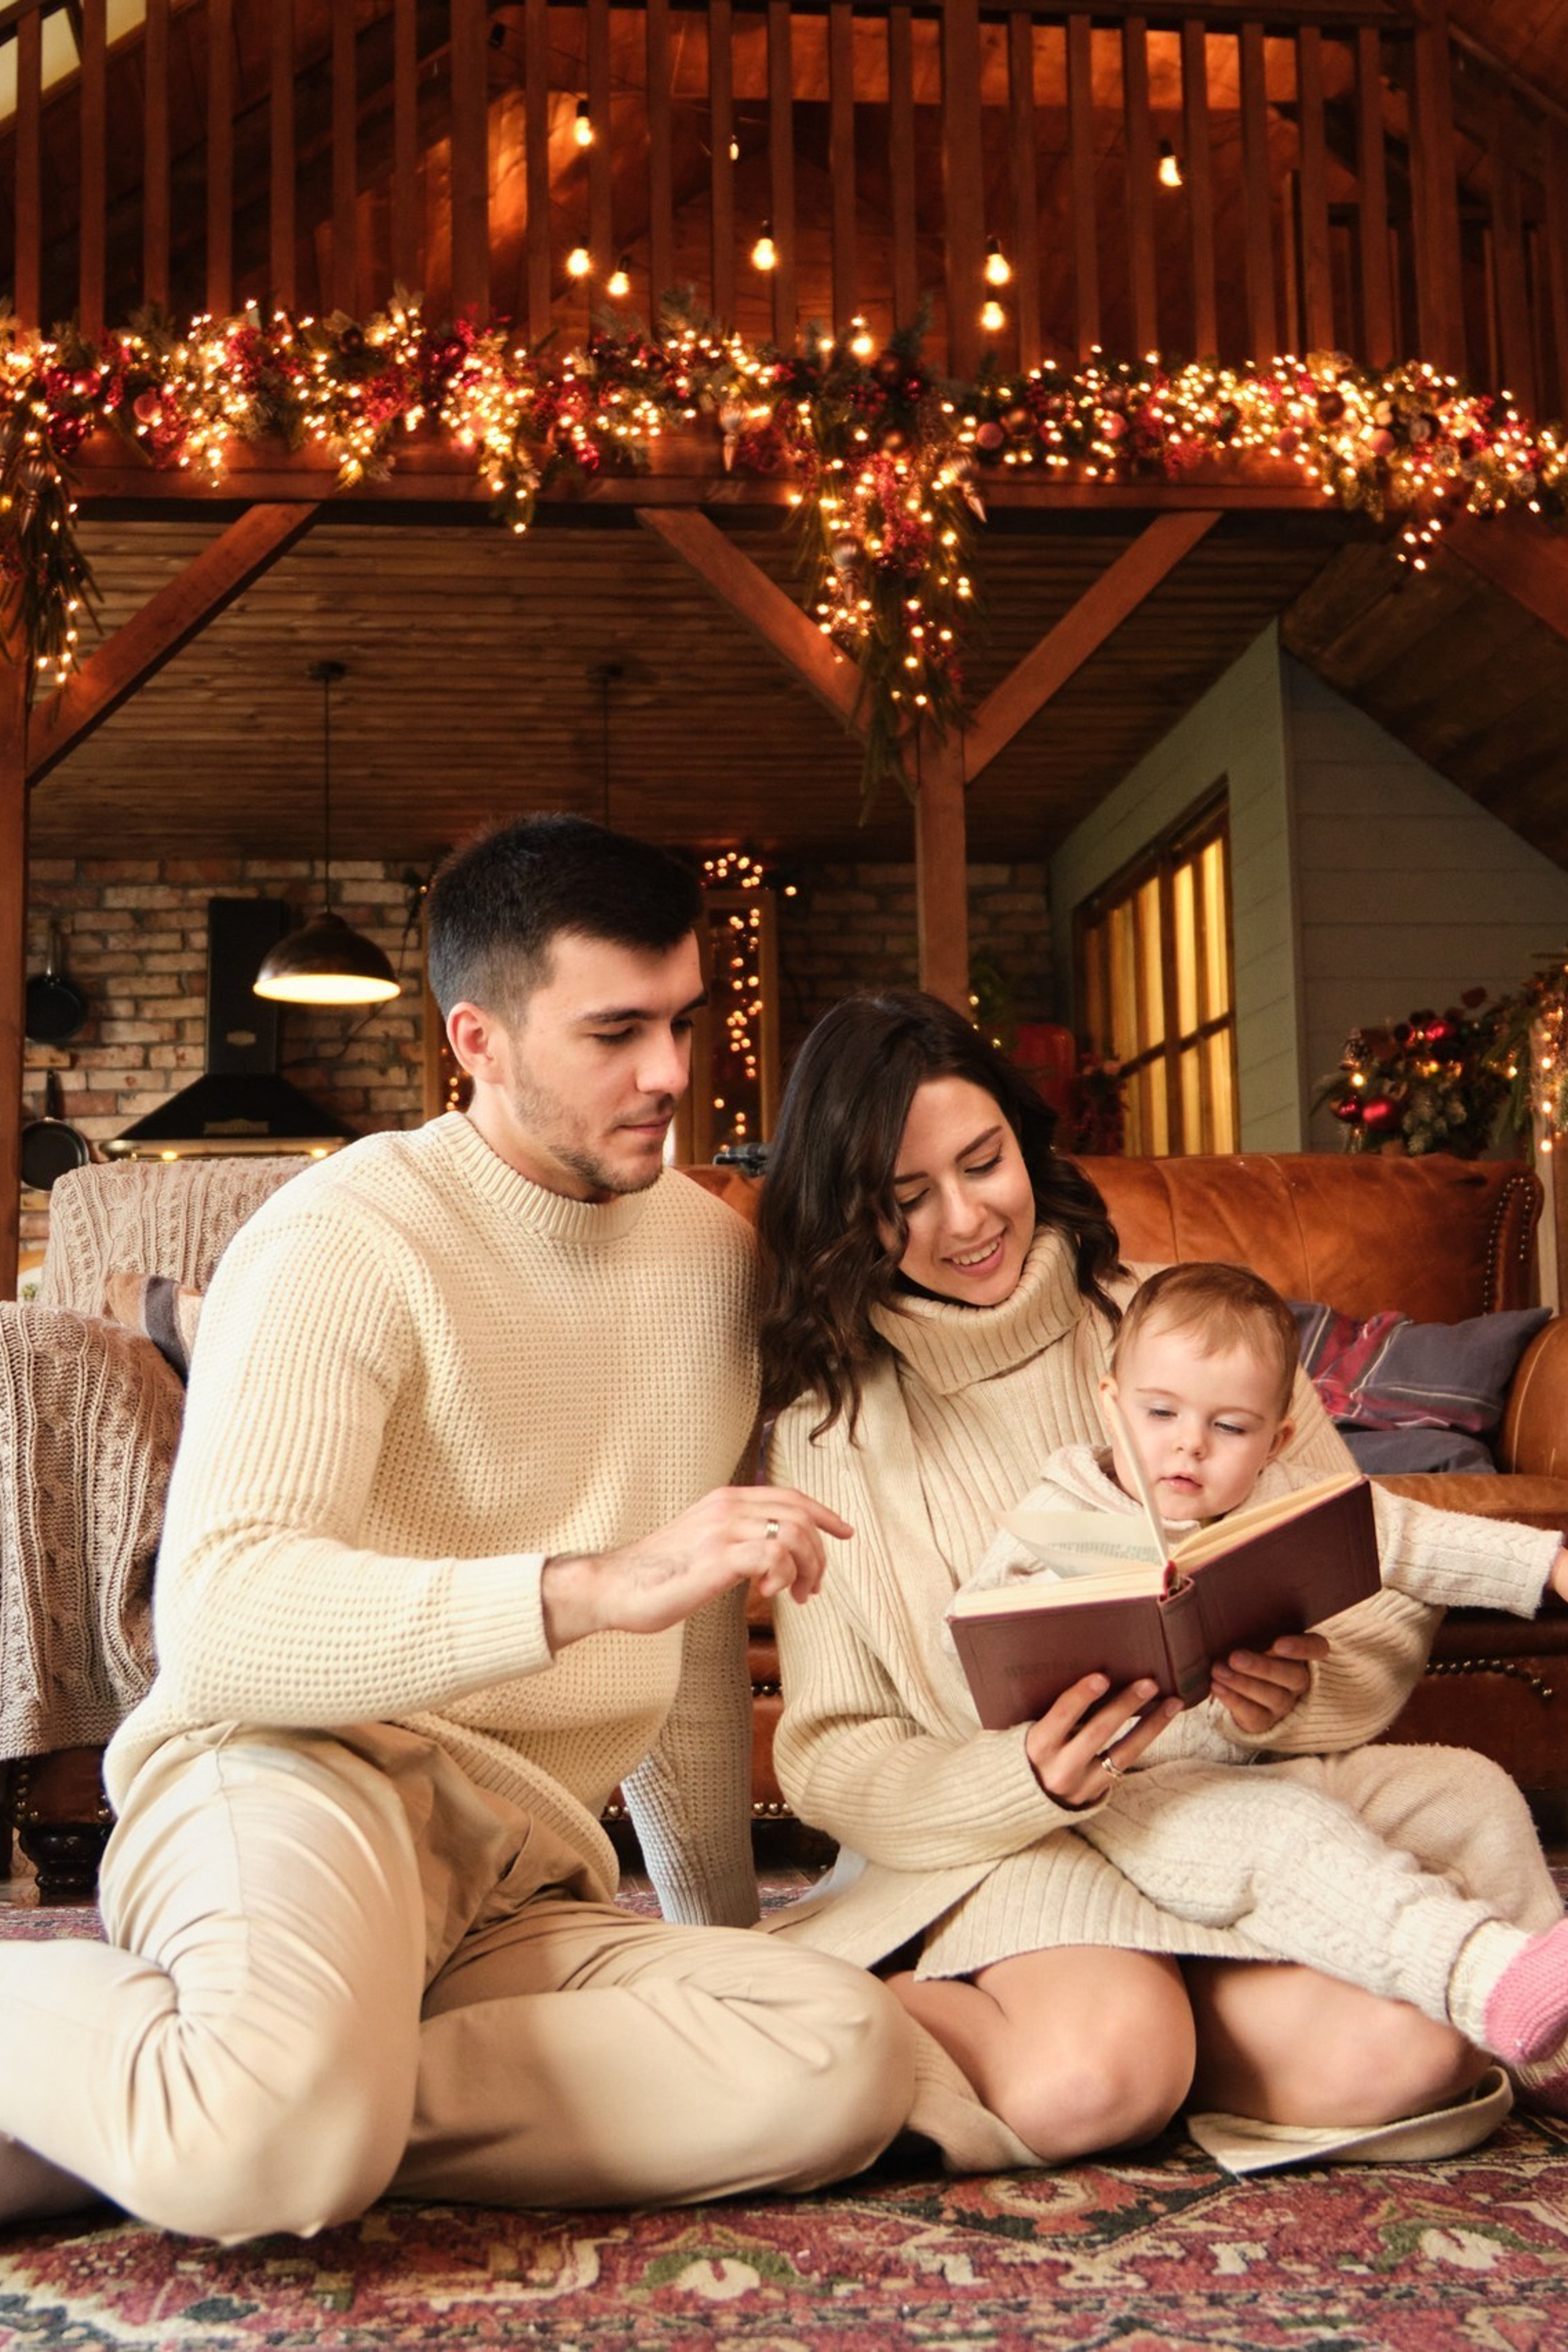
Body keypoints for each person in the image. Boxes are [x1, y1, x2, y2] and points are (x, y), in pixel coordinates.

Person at [0, 815, 913, 2242]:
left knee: (840, 2056)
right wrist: (584, 1588)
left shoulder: (711, 1262)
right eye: (616, 1030)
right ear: (476, 1039)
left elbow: (675, 1667)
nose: (670, 1072)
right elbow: (224, 1625)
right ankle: (273, 2111)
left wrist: (714, 1939)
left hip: (521, 1874)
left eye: (679, 1021)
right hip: (299, 1777)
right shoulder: (338, 1243)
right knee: (265, 2147)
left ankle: (276, 2097)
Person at [756, 987, 1568, 2173]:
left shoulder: (1177, 1323)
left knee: (1407, 2065)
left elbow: (1368, 1563)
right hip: (1008, 1847)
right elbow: (826, 1751)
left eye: (983, 1162)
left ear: (1024, 1142)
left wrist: (1301, 1697)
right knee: (1096, 2082)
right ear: (847, 1216)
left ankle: (1230, 2008)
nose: (966, 1217)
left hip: (1238, 1798)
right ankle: (796, 2010)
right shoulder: (829, 1427)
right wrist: (1023, 1777)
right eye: (905, 1197)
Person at [952, 1259, 1568, 2080]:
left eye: (1230, 1427)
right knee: (1293, 1838)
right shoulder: (1057, 1509)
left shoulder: (1284, 1494)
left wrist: (1553, 1564)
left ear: (1277, 1438)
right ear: (1110, 1402)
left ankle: (1551, 2057)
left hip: (1267, 1765)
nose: (1188, 1445)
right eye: (1159, 1411)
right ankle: (1483, 1978)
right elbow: (973, 1636)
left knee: (1470, 1788)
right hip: (1137, 1802)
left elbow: (1419, 1539)